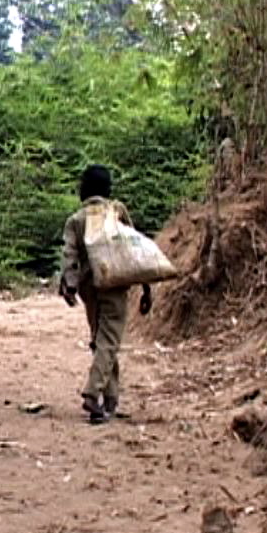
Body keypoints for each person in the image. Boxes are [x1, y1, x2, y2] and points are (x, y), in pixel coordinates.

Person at [60, 165, 152, 424]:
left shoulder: (76, 220)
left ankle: (110, 398)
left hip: (89, 288)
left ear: (85, 190)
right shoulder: (117, 213)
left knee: (100, 340)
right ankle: (92, 393)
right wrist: (145, 287)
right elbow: (136, 250)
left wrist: (68, 283)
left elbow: (69, 255)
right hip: (114, 284)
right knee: (109, 340)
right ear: (108, 190)